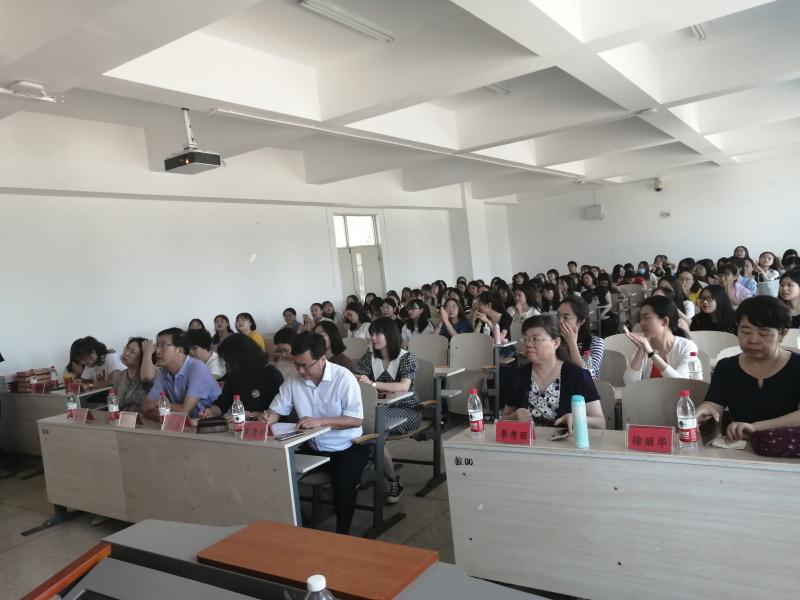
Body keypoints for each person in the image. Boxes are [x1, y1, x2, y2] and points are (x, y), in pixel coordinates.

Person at [262, 332, 367, 535]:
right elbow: (276, 411)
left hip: (347, 447)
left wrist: (321, 422)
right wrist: (268, 418)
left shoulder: (343, 378)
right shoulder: (293, 379)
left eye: (305, 366)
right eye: (296, 364)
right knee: (276, 473)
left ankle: (342, 536)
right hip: (311, 446)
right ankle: (298, 523)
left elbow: (355, 420)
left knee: (343, 485)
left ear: (322, 359)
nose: (300, 371)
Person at [696, 296, 800, 442]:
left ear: (782, 334)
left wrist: (756, 427)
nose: (753, 340)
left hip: (788, 447)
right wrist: (705, 409)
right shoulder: (726, 367)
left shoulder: (796, 366)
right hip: (740, 447)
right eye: (745, 331)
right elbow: (714, 404)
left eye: (763, 333)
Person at [354, 318, 421, 504]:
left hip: (407, 410)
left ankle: (391, 480)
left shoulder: (407, 357)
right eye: (372, 334)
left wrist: (373, 384)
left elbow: (403, 387)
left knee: (373, 430)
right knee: (369, 431)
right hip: (378, 409)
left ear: (390, 335)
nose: (373, 338)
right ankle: (380, 472)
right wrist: (366, 383)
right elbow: (357, 380)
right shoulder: (369, 358)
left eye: (378, 333)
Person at [501, 315, 604, 433]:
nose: (528, 344)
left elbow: (600, 423)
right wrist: (513, 418)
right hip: (528, 443)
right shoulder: (517, 376)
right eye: (525, 339)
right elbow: (504, 419)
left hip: (566, 443)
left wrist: (577, 419)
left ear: (555, 343)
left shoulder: (578, 375)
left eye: (535, 339)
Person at [142, 328, 221, 419]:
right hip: (185, 423)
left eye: (163, 345)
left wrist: (158, 405)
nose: (157, 351)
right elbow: (145, 407)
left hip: (214, 423)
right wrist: (158, 415)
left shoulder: (198, 369)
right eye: (157, 346)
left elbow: (184, 410)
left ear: (179, 350)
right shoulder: (164, 372)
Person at [199, 333, 283, 420]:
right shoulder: (235, 374)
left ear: (244, 358)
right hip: (238, 424)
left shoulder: (272, 375)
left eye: (230, 361)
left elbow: (276, 413)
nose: (228, 365)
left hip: (266, 425)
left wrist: (248, 414)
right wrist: (211, 412)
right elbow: (223, 403)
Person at [623, 296, 700, 382]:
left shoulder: (686, 346)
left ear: (664, 321)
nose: (641, 323)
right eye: (641, 318)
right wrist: (641, 350)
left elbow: (680, 382)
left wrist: (651, 354)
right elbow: (629, 382)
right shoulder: (643, 344)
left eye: (646, 318)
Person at [556, 297, 604, 379]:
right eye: (558, 315)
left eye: (566, 317)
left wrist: (572, 344)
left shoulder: (595, 342)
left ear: (581, 321)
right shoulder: (553, 342)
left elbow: (588, 377)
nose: (560, 321)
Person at [113, 337, 155, 412]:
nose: (126, 353)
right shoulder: (120, 376)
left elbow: (147, 377)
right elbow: (114, 402)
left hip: (143, 417)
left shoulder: (150, 373)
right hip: (122, 417)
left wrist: (147, 353)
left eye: (133, 352)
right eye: (127, 348)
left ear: (143, 357)